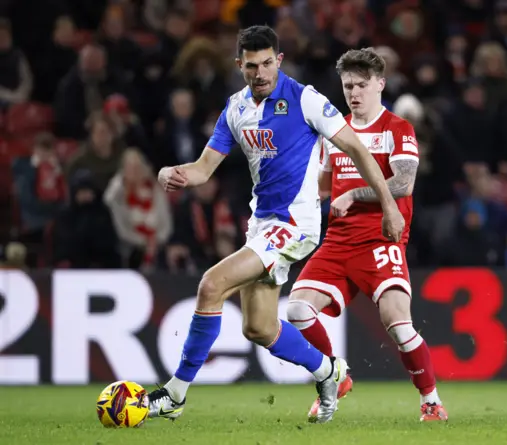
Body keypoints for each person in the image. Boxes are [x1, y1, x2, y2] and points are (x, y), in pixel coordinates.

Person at [149, 26, 405, 424]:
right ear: (240, 66)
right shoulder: (234, 109)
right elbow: (202, 170)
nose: (261, 72)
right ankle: (329, 371)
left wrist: (389, 205)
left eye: (268, 63)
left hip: (295, 225)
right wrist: (171, 172)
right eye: (252, 65)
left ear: (279, 61)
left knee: (211, 285)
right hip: (262, 224)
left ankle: (175, 394)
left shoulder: (305, 100)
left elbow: (355, 147)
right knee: (259, 327)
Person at [286, 48, 448, 422]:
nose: (354, 93)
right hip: (338, 242)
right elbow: (323, 187)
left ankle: (431, 401)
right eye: (348, 86)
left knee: (398, 323)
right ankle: (334, 374)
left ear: (381, 84)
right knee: (296, 309)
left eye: (361, 85)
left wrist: (355, 193)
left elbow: (404, 184)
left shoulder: (398, 129)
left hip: (380, 240)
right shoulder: (334, 133)